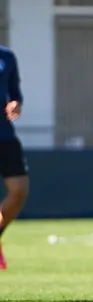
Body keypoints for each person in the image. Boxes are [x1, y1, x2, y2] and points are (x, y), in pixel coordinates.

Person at [0, 45, 28, 270]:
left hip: (5, 136)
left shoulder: (7, 56)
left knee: (19, 191)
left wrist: (16, 105)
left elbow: (15, 94)